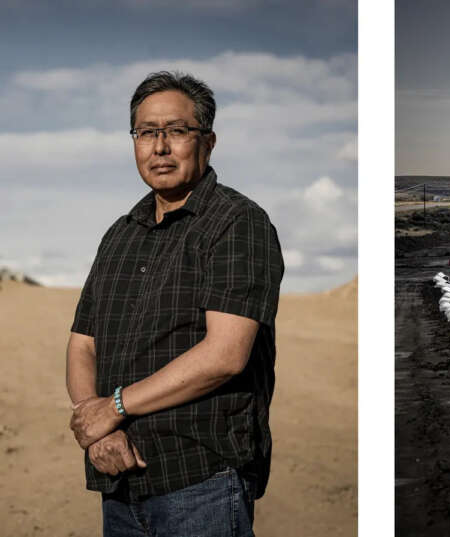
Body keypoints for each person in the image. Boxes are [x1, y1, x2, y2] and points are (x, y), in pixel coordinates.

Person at [66, 71, 284, 536]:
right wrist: (98, 425)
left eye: (176, 131)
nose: (159, 147)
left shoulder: (238, 223)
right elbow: (84, 343)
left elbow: (224, 356)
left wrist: (115, 407)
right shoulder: (120, 234)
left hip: (200, 481)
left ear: (208, 141)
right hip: (119, 481)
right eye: (146, 133)